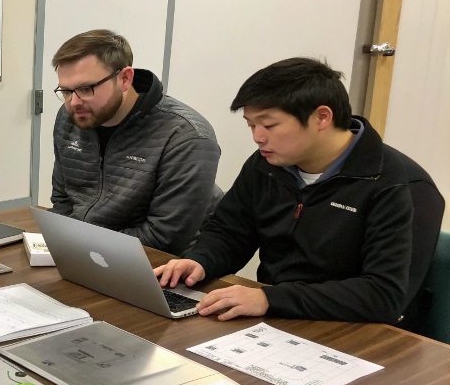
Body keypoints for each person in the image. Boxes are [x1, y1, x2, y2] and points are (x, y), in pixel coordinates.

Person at [155, 57, 444, 325]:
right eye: (251, 124)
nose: (258, 137)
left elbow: (383, 296)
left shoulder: (399, 184)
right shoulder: (267, 165)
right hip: (276, 320)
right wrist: (199, 261)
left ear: (321, 118)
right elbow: (230, 232)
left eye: (269, 124)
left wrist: (270, 298)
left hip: (354, 333)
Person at [50, 29, 221, 254]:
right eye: (66, 91)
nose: (73, 102)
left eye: (85, 89)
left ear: (124, 79)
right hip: (87, 252)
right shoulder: (71, 116)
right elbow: (62, 198)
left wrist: (85, 246)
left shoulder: (186, 136)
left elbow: (165, 237)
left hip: (161, 265)